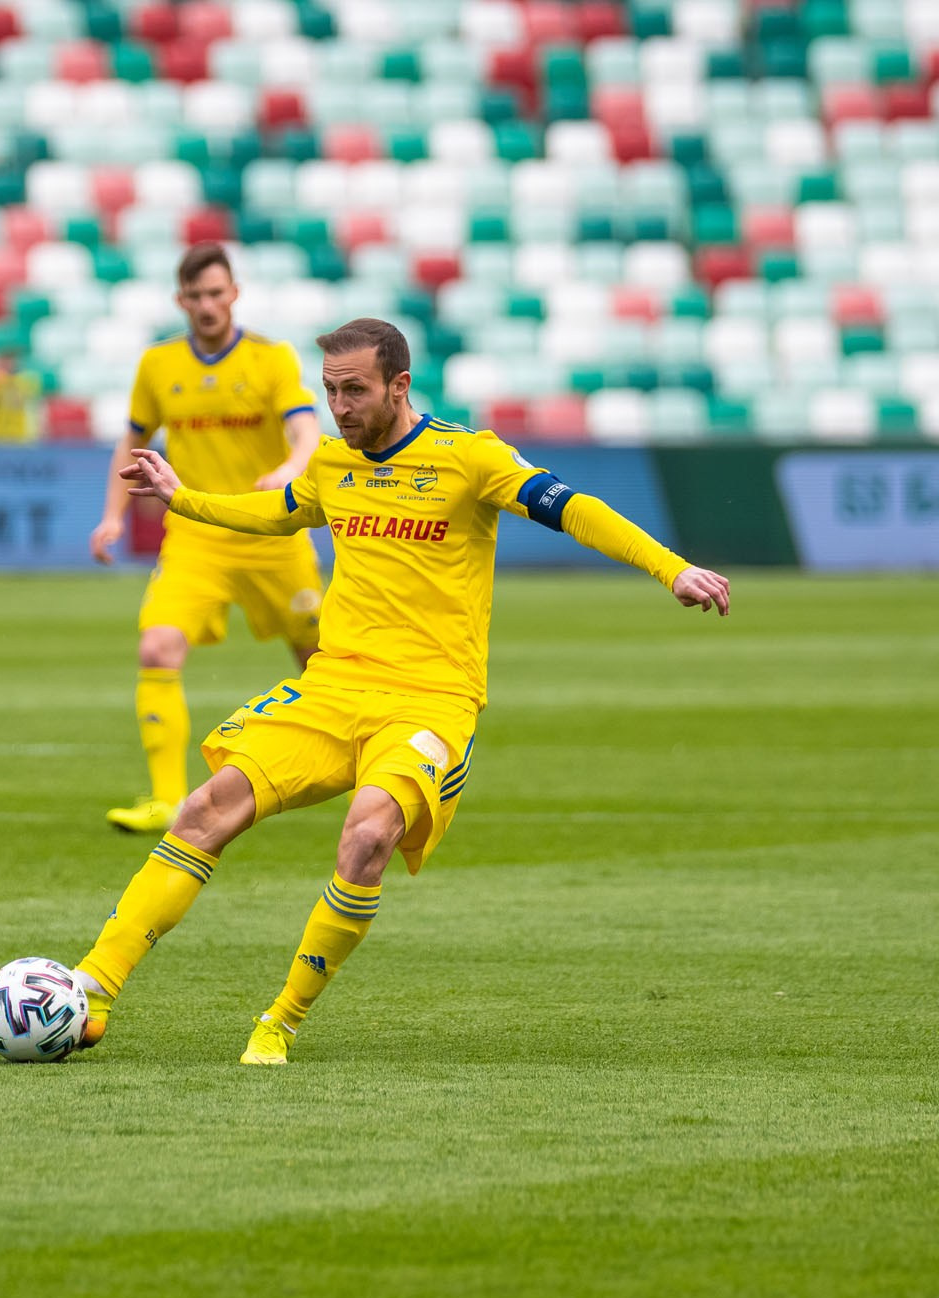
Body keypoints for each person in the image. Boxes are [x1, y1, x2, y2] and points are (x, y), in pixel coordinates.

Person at [58, 317, 732, 1064]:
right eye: (330, 391)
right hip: (334, 684)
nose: (339, 407)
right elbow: (275, 515)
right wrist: (181, 496)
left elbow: (573, 509)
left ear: (399, 385)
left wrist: (671, 568)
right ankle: (90, 988)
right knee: (206, 806)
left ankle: (278, 1021)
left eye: (354, 390)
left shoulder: (469, 457)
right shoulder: (333, 464)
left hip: (432, 698)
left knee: (368, 833)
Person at [90, 242, 326, 835]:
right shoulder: (158, 365)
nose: (206, 305)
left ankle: (346, 769)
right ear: (181, 300)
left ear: (235, 294)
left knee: (321, 662)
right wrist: (113, 515)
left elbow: (305, 428)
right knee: (156, 648)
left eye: (216, 293)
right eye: (194, 295)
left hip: (273, 531)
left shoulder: (271, 358)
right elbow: (133, 441)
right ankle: (166, 800)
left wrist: (294, 467)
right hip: (196, 536)